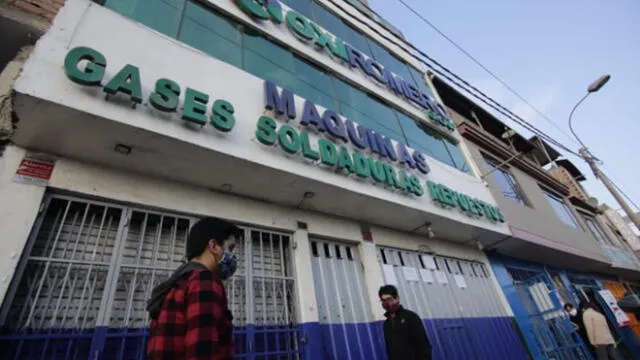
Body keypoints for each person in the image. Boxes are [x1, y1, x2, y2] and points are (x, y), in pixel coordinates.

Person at [146, 217, 242, 360]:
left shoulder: (178, 282)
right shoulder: (204, 280)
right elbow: (203, 350)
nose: (233, 256)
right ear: (214, 246)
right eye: (230, 248)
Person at [379, 285, 432, 360]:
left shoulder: (410, 317)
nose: (387, 303)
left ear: (397, 298)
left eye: (389, 299)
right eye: (383, 300)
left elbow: (423, 346)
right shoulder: (386, 324)